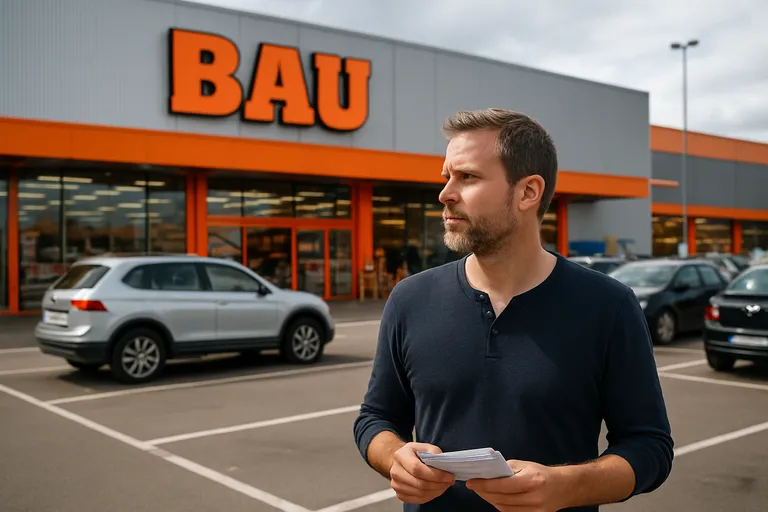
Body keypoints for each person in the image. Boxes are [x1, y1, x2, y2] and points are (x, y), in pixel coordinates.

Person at [352, 108, 674, 511]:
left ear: (528, 192)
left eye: (467, 177)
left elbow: (650, 446)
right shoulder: (410, 299)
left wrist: (565, 486)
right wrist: (394, 458)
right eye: (447, 177)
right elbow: (376, 418)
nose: (445, 193)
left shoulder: (608, 306)